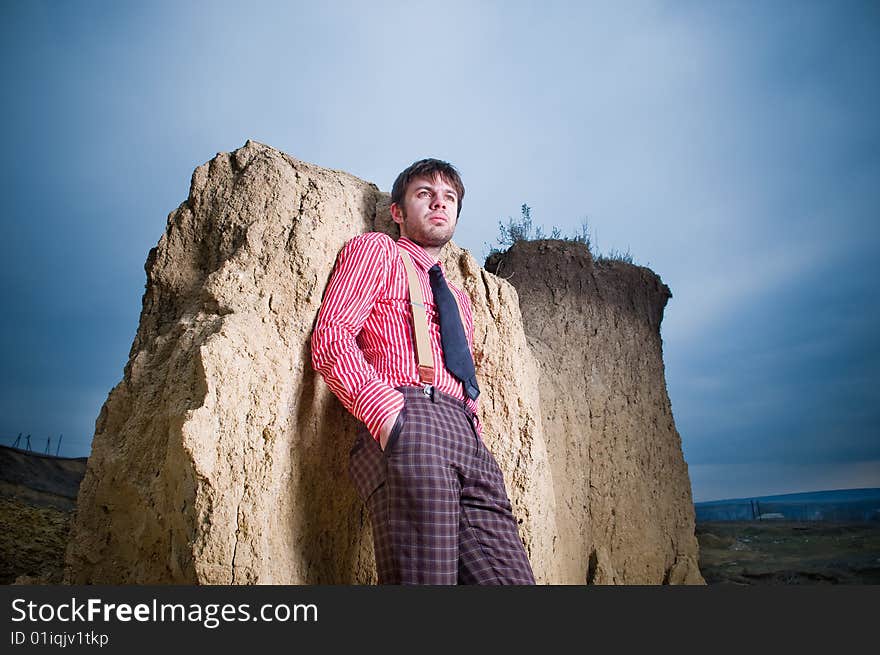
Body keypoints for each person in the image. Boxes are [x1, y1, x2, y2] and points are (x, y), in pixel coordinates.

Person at [311, 158, 535, 585]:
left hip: (468, 439)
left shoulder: (458, 297)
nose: (439, 203)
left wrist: (474, 432)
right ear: (398, 211)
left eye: (449, 198)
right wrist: (389, 416)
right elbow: (332, 336)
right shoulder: (376, 251)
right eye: (424, 194)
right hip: (411, 419)